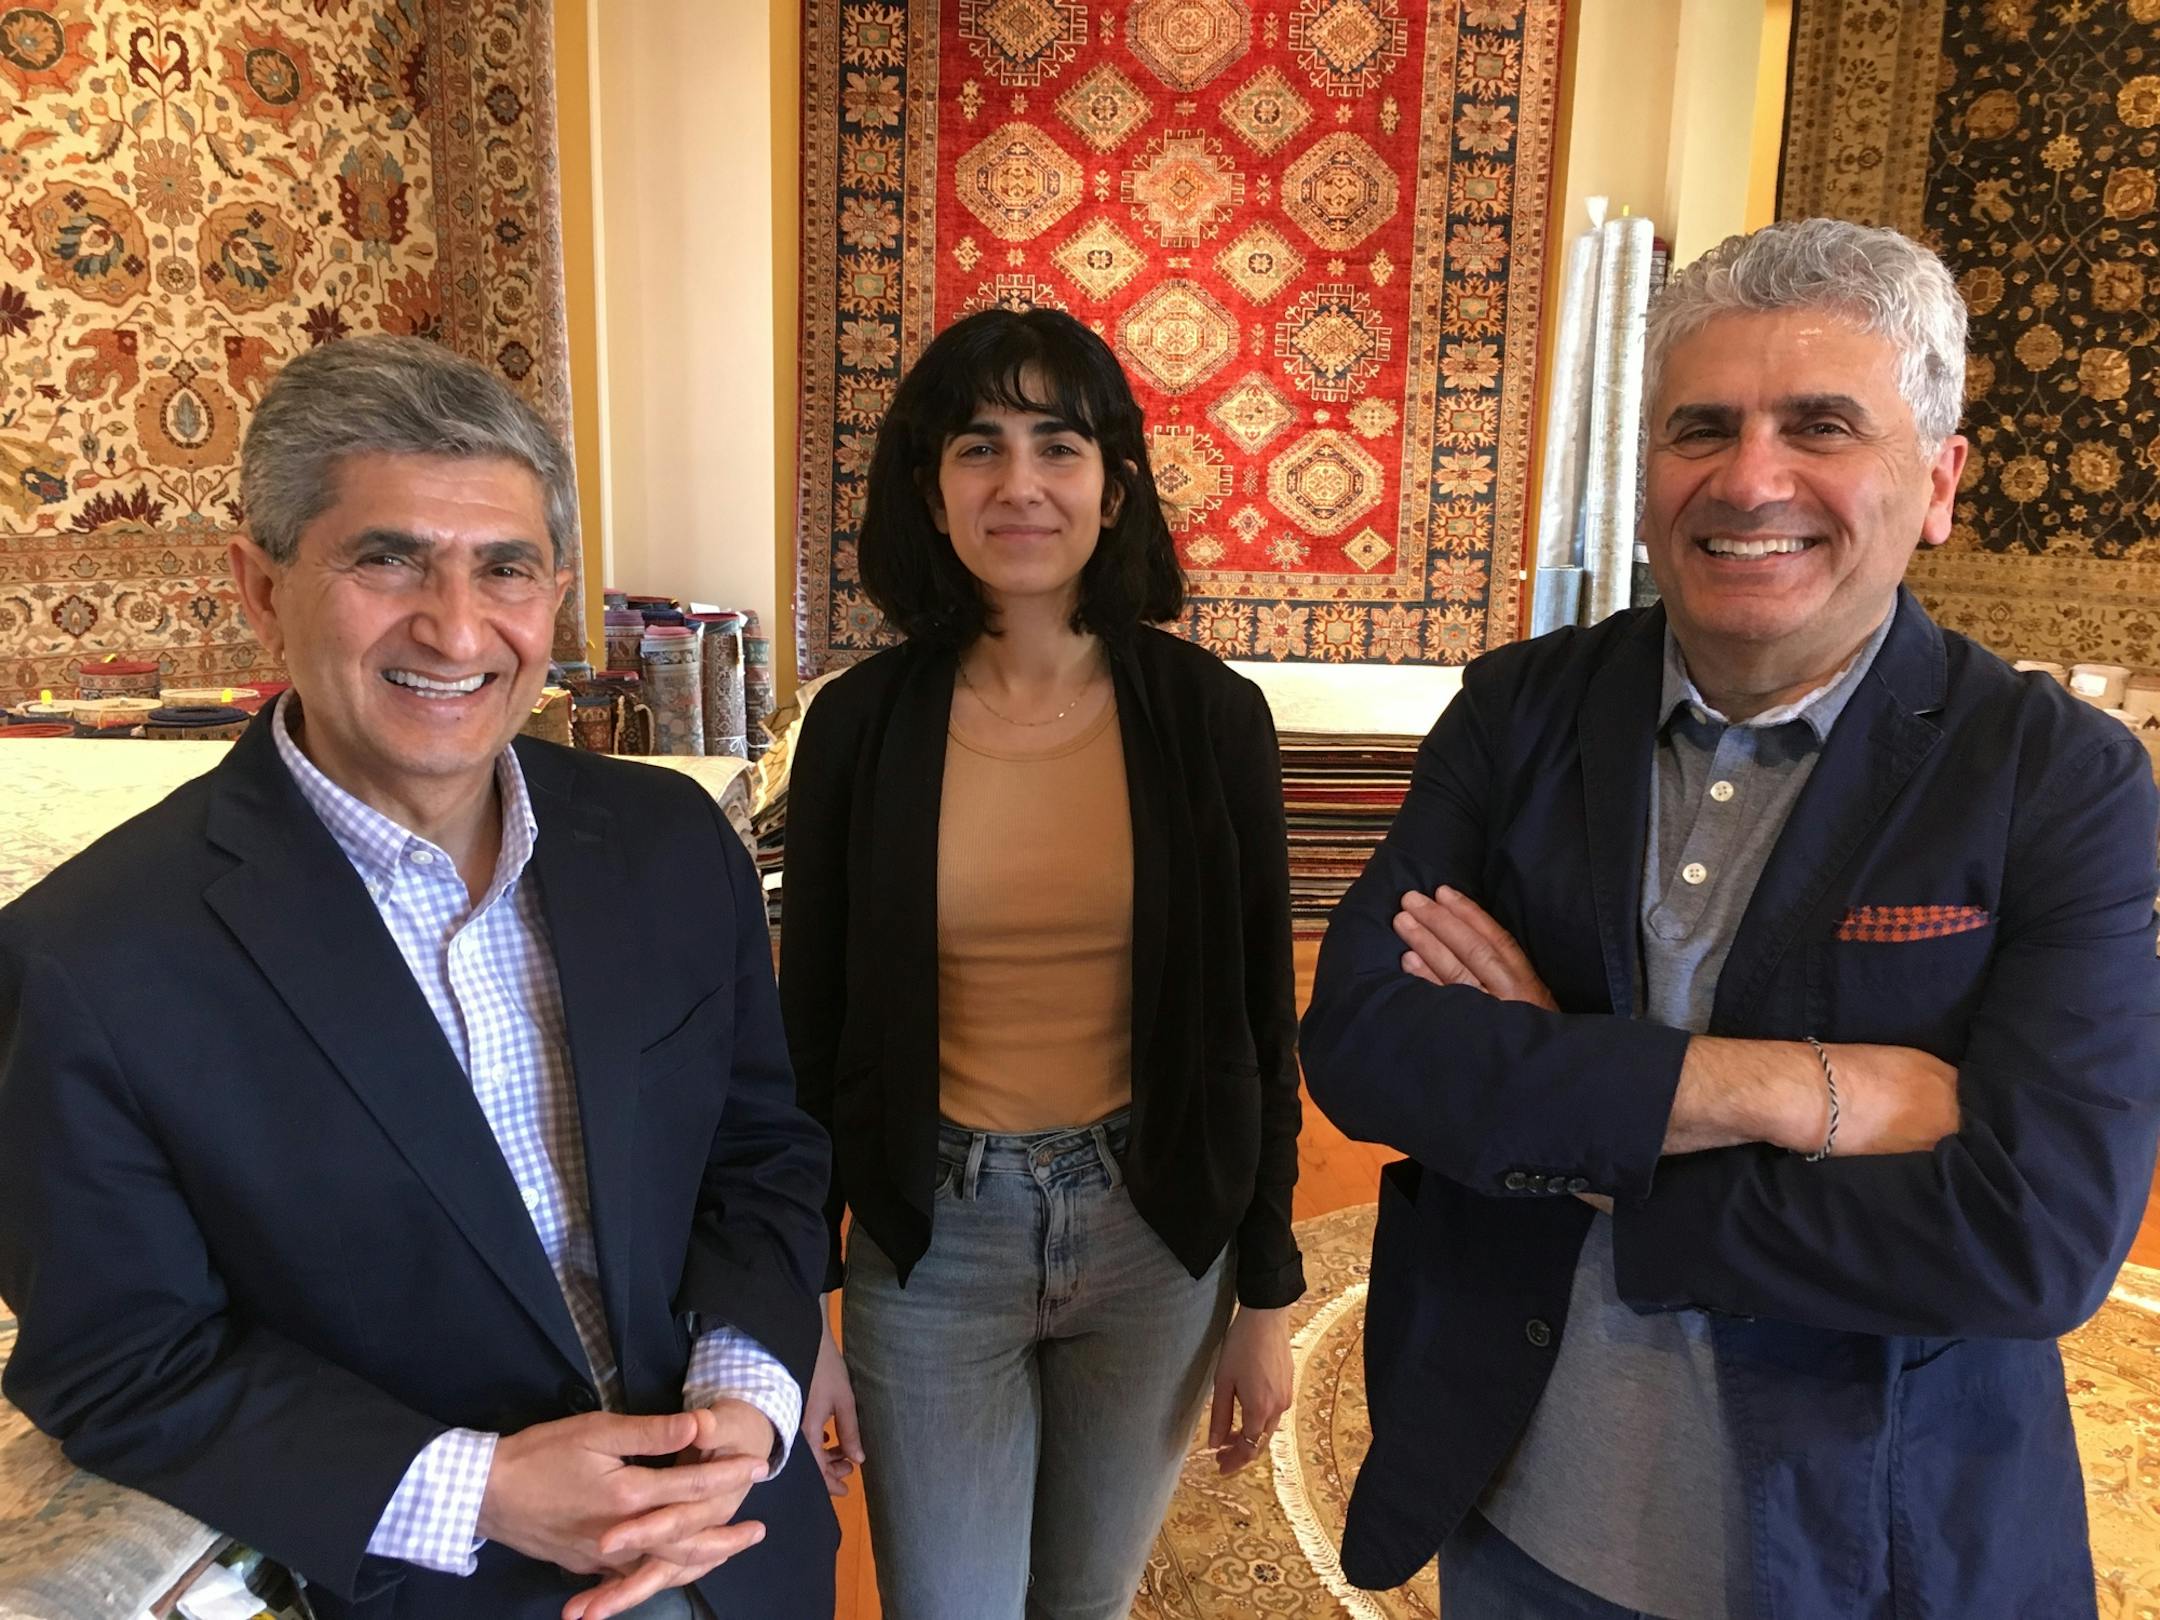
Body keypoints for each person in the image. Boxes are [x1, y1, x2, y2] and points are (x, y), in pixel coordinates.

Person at [1302, 218, 2160, 1617]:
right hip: (1519, 1510)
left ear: (1937, 483)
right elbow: (1362, 1042)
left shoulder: (2054, 777)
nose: (1750, 478)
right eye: (1703, 427)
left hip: (1861, 1548)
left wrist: (1567, 1106)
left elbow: (2037, 1236)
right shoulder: (1520, 708)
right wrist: (1802, 1093)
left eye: (1822, 425)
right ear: (1649, 480)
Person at [0, 336, 838, 1620]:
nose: (456, 629)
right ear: (258, 583)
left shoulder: (672, 845)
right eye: (387, 559)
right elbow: (118, 1360)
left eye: (503, 569)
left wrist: (744, 1395)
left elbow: (758, 1152)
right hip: (419, 1582)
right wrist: (480, 1489)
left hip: (738, 1546)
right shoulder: (89, 959)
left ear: (554, 591)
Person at [781, 306, 1303, 1619]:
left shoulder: (1210, 719)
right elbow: (807, 1031)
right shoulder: (858, 727)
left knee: (1087, 1603)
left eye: (1058, 448)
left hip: (1154, 1229)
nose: (1020, 484)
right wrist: (799, 1310)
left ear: (1113, 484)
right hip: (932, 1243)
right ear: (929, 485)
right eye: (979, 447)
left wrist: (1268, 1298)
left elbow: (1255, 1018)